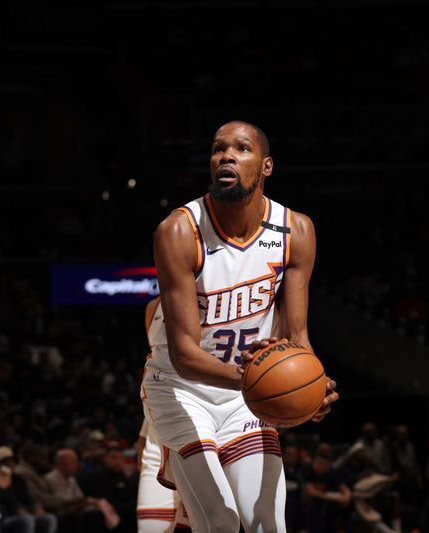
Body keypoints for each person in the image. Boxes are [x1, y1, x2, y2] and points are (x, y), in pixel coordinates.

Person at [142, 120, 339, 532]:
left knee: (265, 521)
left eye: (241, 149)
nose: (226, 156)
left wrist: (311, 384)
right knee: (221, 521)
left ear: (265, 167)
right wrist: (257, 379)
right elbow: (184, 354)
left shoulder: (295, 230)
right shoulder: (179, 231)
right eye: (218, 149)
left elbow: (297, 338)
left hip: (241, 396)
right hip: (181, 389)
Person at [137, 297, 190, 532]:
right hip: (157, 438)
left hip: (200, 433)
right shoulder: (153, 307)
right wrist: (143, 438)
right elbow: (154, 370)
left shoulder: (221, 294)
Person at [44, 447, 109, 532]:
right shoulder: (50, 479)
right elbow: (61, 502)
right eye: (74, 461)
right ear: (63, 463)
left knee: (97, 512)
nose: (78, 465)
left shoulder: (71, 479)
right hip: (61, 516)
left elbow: (80, 497)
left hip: (75, 513)